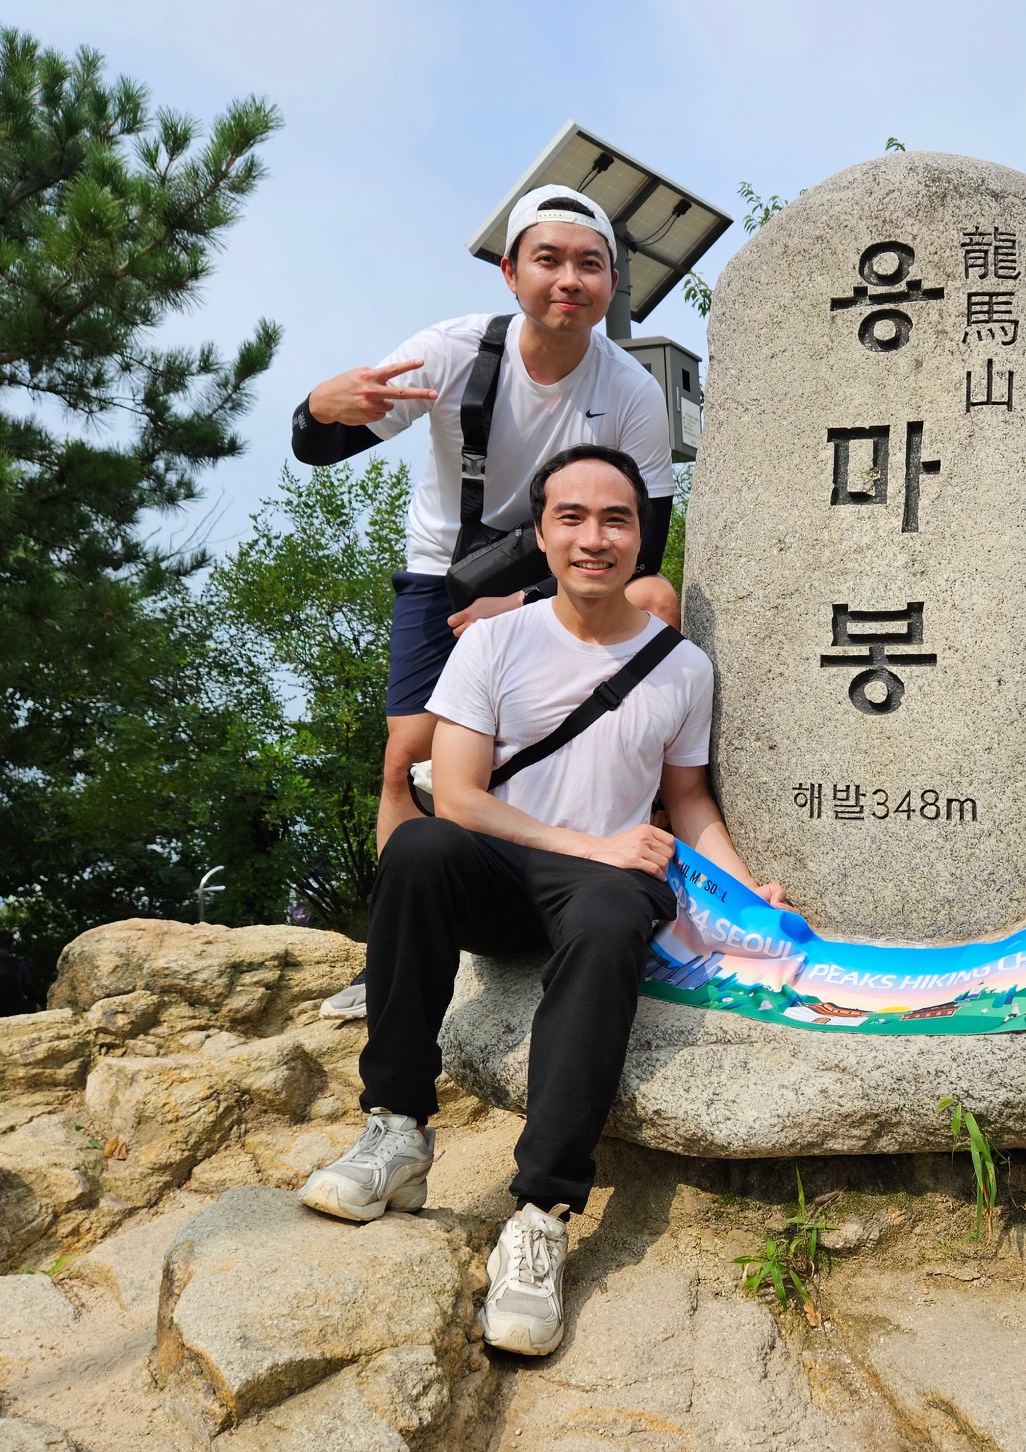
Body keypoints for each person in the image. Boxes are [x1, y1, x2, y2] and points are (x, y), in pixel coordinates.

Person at [296, 445, 786, 1357]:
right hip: (507, 866)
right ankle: (396, 1130)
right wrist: (593, 841)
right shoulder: (493, 640)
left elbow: (687, 801)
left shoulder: (681, 668)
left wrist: (743, 890)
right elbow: (462, 792)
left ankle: (541, 1216)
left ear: (642, 536)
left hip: (601, 891)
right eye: (572, 518)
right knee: (421, 844)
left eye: (616, 520)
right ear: (542, 534)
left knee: (611, 911)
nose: (593, 539)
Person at [292, 184, 681, 1022]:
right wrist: (315, 411)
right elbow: (325, 442)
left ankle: (633, 867)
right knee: (406, 757)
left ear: (613, 284)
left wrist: (529, 603)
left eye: (590, 264)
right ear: (510, 272)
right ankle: (388, 955)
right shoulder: (453, 351)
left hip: (562, 574)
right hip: (445, 571)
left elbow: (641, 543)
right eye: (548, 259)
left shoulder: (634, 393)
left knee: (656, 597)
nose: (568, 280)